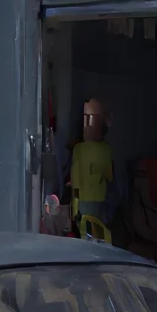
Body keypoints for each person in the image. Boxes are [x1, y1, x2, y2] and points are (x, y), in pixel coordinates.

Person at [70, 98, 114, 241]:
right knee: (97, 234)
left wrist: (75, 207)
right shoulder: (107, 150)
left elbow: (75, 182)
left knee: (87, 234)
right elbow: (110, 177)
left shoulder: (79, 149)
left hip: (86, 201)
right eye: (86, 119)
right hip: (98, 200)